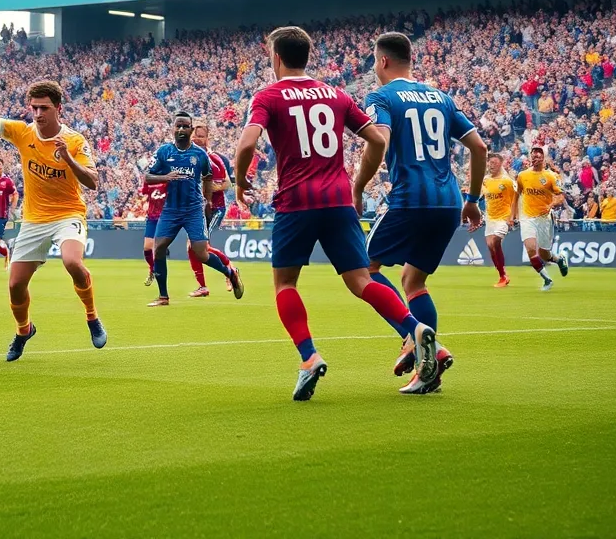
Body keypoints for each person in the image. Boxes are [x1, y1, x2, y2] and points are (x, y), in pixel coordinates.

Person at [234, 26, 437, 402]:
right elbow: (376, 138)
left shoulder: (268, 95)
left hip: (296, 200)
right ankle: (415, 328)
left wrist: (239, 181)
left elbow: (247, 142)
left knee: (286, 284)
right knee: (361, 279)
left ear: (276, 57)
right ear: (306, 56)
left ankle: (309, 357)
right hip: (340, 199)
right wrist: (358, 183)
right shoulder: (336, 94)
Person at [354, 32, 485, 394]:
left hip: (410, 199)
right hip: (448, 202)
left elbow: (378, 140)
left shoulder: (381, 96)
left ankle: (419, 338)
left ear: (382, 61)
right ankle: (429, 372)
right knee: (414, 281)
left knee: (363, 271)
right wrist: (472, 199)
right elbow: (479, 146)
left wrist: (359, 186)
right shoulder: (440, 97)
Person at [0, 78, 106, 362]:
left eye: (43, 108)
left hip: (68, 213)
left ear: (58, 109)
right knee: (16, 285)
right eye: (34, 108)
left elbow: (92, 181)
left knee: (72, 262)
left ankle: (92, 317)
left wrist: (67, 157)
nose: (38, 114)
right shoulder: (22, 132)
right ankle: (23, 331)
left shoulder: (75, 141)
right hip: (34, 220)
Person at [143, 112, 243, 307]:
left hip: (193, 209)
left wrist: (207, 201)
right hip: (171, 209)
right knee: (159, 247)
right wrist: (165, 177)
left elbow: (207, 177)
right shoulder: (164, 152)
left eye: (184, 126)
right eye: (177, 126)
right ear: (173, 129)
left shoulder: (199, 154)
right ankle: (163, 296)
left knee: (201, 253)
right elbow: (148, 176)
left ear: (190, 130)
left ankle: (230, 273)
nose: (181, 129)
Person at [190, 121, 235, 296]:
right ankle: (203, 286)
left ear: (207, 138)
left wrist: (207, 188)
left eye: (201, 136)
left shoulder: (214, 158)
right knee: (192, 246)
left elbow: (227, 184)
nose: (197, 139)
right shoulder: (188, 156)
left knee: (201, 245)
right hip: (197, 210)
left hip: (215, 209)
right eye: (195, 135)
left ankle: (230, 269)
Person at [515, 146, 570, 291]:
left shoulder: (551, 176)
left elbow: (561, 195)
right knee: (531, 250)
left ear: (544, 158)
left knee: (544, 254)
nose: (535, 157)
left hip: (544, 218)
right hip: (527, 217)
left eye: (539, 155)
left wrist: (551, 204)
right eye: (533, 155)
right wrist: (512, 215)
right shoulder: (522, 175)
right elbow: (517, 194)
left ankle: (559, 260)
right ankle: (547, 280)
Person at [480, 154, 518, 287]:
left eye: (494, 162)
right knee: (491, 247)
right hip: (490, 218)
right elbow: (484, 196)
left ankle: (503, 275)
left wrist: (512, 217)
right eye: (490, 162)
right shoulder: (486, 180)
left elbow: (516, 199)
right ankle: (502, 275)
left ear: (501, 163)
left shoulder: (507, 181)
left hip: (503, 218)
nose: (491, 165)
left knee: (496, 241)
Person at [137, 180, 167, 286]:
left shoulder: (167, 181)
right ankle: (152, 269)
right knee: (147, 248)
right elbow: (144, 194)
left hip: (165, 218)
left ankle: (160, 279)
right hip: (152, 218)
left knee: (158, 248)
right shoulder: (149, 181)